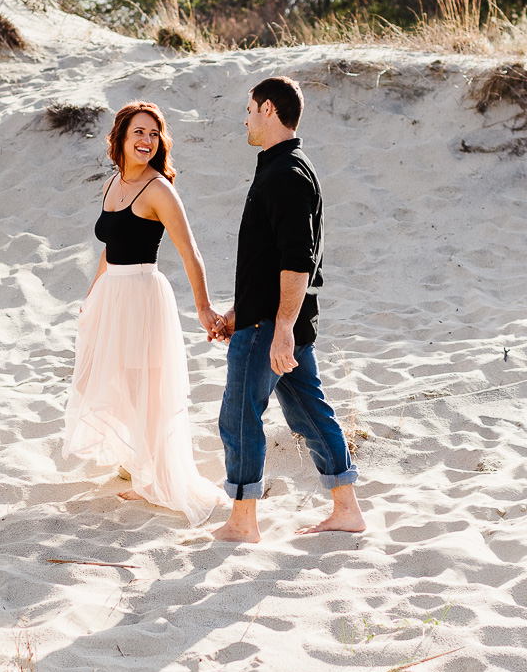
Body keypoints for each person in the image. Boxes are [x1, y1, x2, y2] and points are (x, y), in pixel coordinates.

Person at [209, 77, 368, 542]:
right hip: (268, 320)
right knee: (309, 414)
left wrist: (280, 326)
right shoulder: (281, 168)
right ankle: (347, 509)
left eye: (249, 109)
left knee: (239, 415)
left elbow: (299, 260)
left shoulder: (288, 174)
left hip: (272, 327)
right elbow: (268, 259)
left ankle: (242, 522)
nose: (245, 118)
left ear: (269, 109)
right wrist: (239, 312)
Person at [62, 102, 223, 525]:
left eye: (154, 134)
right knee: (115, 379)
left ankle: (154, 475)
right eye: (139, 132)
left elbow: (191, 253)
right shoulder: (113, 184)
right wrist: (92, 295)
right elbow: (109, 250)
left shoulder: (159, 190)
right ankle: (136, 462)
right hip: (112, 293)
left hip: (143, 294)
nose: (146, 141)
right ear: (121, 137)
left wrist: (203, 307)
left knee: (144, 385)